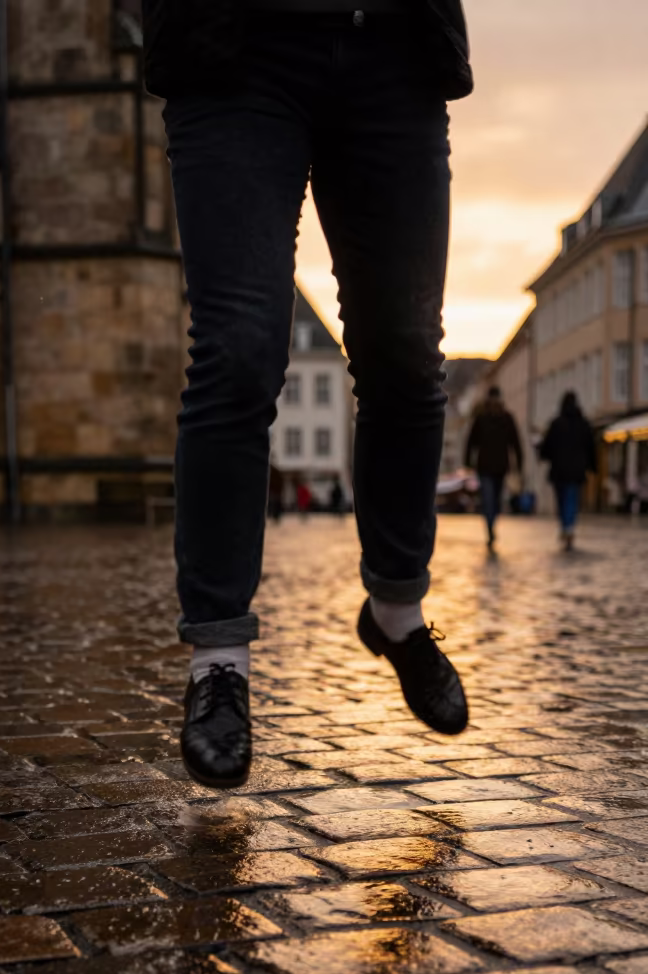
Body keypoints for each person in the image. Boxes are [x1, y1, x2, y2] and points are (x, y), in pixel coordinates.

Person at [142, 0, 473, 788]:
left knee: (407, 357)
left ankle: (395, 609)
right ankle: (219, 660)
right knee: (238, 351)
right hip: (237, 46)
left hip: (395, 46)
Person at [464, 386, 523, 550]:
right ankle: (490, 528)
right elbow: (471, 441)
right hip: (484, 467)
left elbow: (515, 442)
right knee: (488, 499)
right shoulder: (481, 418)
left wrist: (519, 463)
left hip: (501, 467)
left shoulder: (507, 418)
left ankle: (492, 524)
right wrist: (468, 461)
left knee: (495, 500)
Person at [540, 391, 597, 550]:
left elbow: (547, 447)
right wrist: (593, 466)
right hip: (576, 470)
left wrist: (545, 455)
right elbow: (591, 447)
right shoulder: (583, 424)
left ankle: (565, 526)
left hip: (559, 470)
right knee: (571, 499)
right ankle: (569, 527)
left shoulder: (557, 423)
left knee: (562, 499)